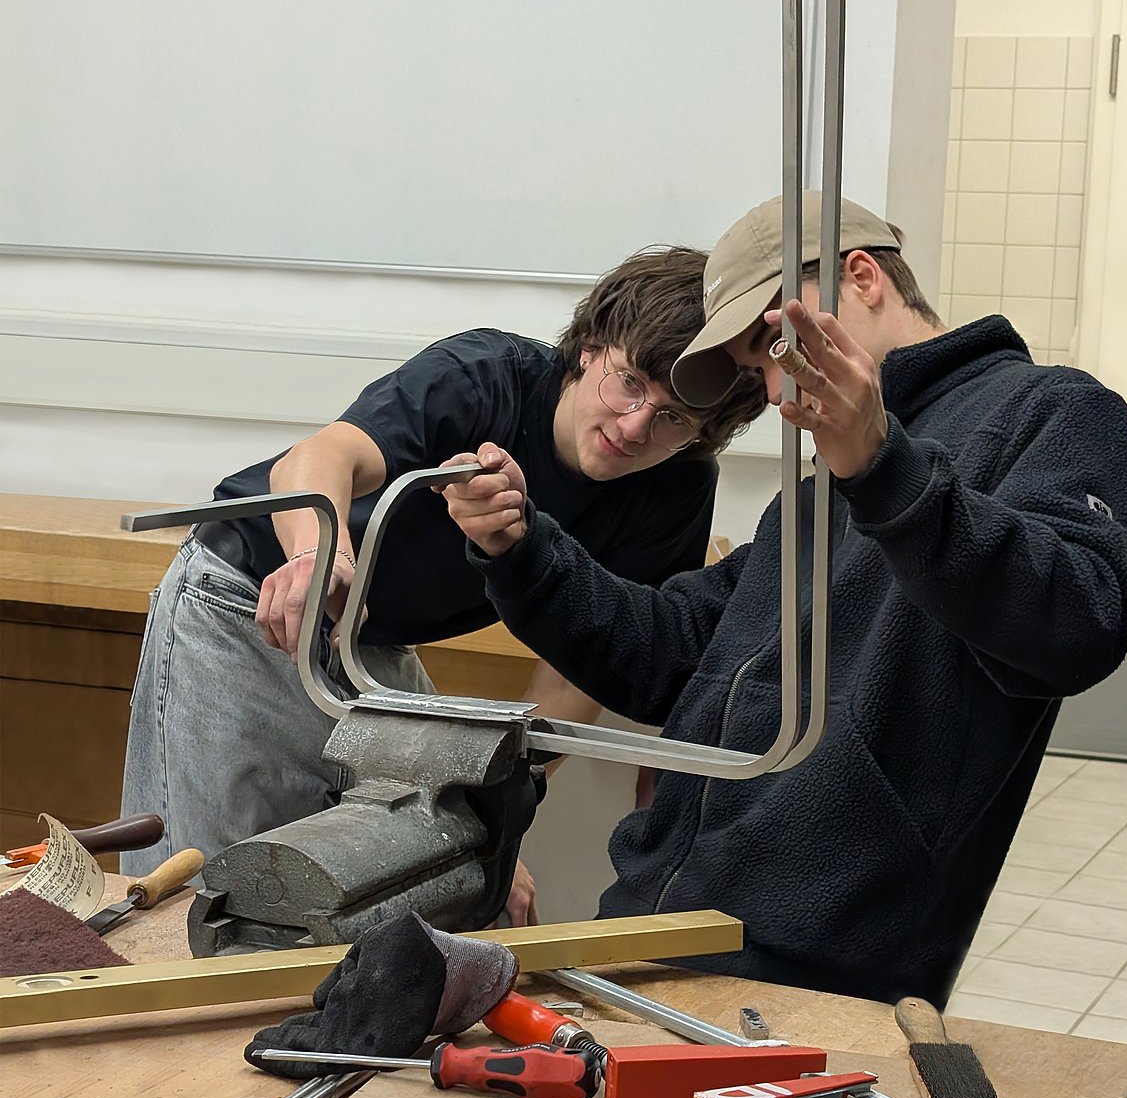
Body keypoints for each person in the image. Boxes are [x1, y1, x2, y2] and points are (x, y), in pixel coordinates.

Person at [441, 192, 1127, 1005]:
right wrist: (521, 547)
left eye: (776, 344)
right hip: (651, 928)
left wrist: (883, 468)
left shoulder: (1053, 413)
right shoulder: (818, 493)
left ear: (863, 277)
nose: (777, 392)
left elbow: (1079, 624)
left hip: (819, 965)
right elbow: (671, 651)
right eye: (758, 370)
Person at [119, 245, 767, 922]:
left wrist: (493, 805)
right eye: (628, 382)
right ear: (590, 348)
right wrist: (318, 557)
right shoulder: (485, 375)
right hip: (246, 601)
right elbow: (320, 457)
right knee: (210, 897)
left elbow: (583, 669)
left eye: (673, 418)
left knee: (451, 875)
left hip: (369, 646)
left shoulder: (677, 484)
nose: (634, 427)